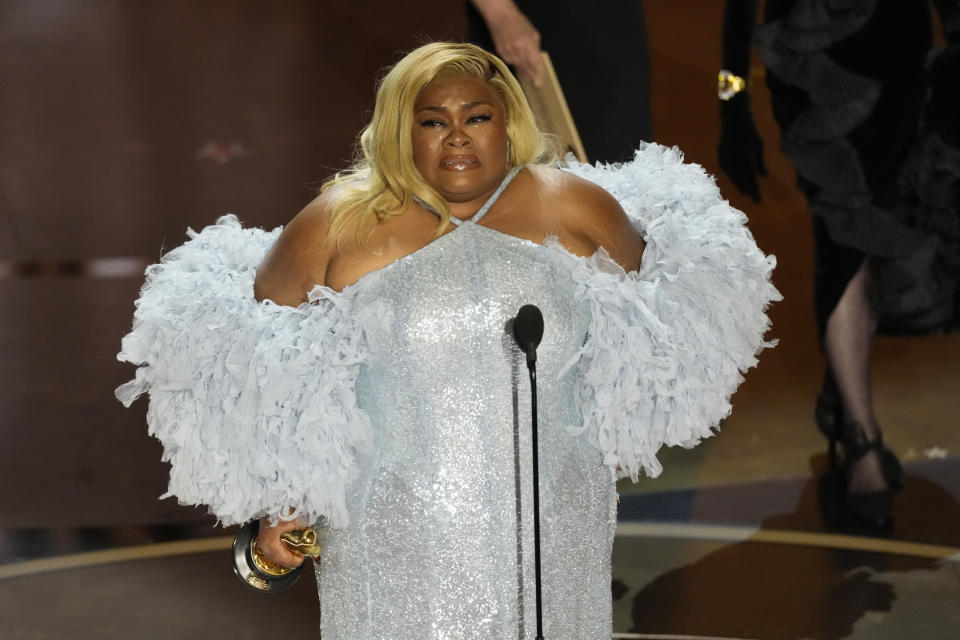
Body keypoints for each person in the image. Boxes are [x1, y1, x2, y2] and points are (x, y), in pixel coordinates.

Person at [117, 42, 778, 639]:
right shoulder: (334, 226)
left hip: (553, 532)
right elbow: (260, 371)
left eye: (477, 117)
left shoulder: (575, 206)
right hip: (396, 539)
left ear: (508, 121)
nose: (456, 137)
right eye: (433, 120)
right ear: (400, 130)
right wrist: (277, 511)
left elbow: (663, 322)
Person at [719, 0, 960, 525]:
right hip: (816, 69)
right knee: (842, 236)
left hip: (901, 58)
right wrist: (731, 103)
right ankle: (860, 436)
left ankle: (844, 392)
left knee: (893, 224)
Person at [466, 0, 653, 163]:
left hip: (610, 21)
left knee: (623, 154)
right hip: (535, 21)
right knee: (528, 160)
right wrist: (501, 13)